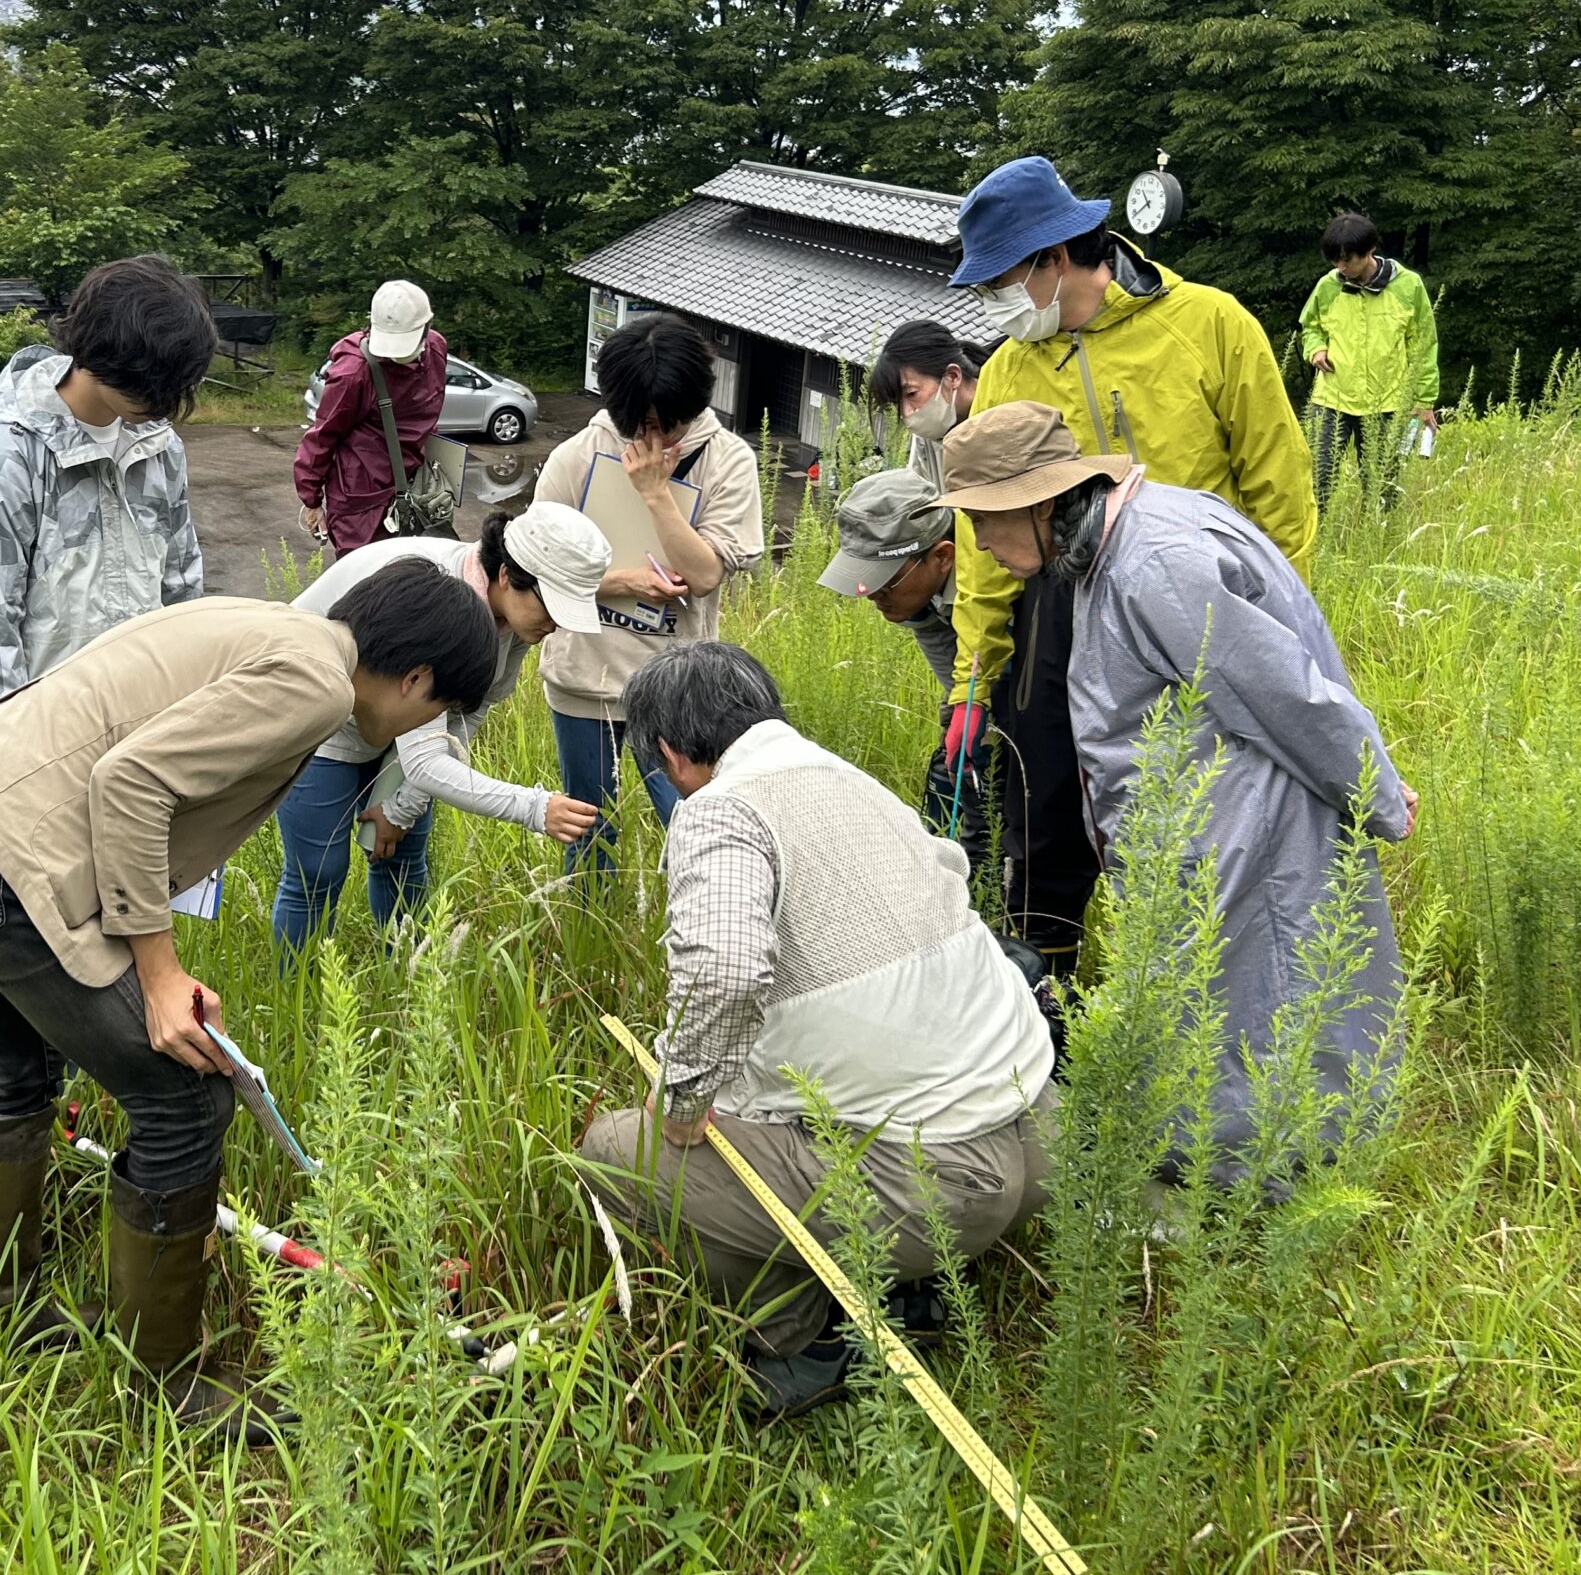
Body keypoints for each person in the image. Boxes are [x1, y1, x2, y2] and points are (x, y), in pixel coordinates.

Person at [0, 567, 500, 1440]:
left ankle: (7, 1317)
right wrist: (160, 977)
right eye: (436, 712)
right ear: (418, 680)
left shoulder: (269, 624)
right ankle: (162, 1388)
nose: (421, 729)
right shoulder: (315, 684)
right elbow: (132, 782)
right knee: (184, 1097)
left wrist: (150, 960)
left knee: (22, 1062)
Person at [577, 644, 1056, 1422]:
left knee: (619, 1151)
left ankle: (803, 1340)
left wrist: (686, 1096)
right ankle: (917, 1286)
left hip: (937, 1187)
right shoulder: (849, 780)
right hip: (1036, 1135)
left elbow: (726, 971)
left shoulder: (722, 810)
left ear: (669, 754)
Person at [934, 402, 1414, 1166]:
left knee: (1266, 1005)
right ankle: (1222, 1166)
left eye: (986, 521)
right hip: (1203, 824)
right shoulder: (1109, 547)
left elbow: (1281, 691)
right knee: (1218, 1010)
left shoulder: (1155, 562)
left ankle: (1261, 1188)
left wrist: (1375, 792)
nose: (982, 544)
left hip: (1248, 821)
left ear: (1038, 501)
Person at [0, 256, 220, 1232]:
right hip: (35, 754)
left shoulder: (157, 446)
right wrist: (9, 793)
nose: (169, 412)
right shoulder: (9, 455)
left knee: (95, 965)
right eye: (164, 390)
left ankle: (29, 1137)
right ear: (114, 365)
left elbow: (182, 594)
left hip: (140, 748)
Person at [941, 155, 1316, 979]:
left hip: (1191, 609)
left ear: (1056, 256)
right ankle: (1047, 996)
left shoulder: (1211, 324)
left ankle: (1197, 994)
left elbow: (1277, 488)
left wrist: (1271, 629)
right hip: (1054, 614)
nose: (992, 305)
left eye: (999, 281)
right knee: (1042, 822)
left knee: (1190, 814)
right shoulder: (1009, 366)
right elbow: (985, 543)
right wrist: (974, 679)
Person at [270, 505, 614, 949]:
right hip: (324, 719)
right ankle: (296, 1000)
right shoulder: (443, 601)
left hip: (400, 717)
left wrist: (400, 809)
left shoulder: (515, 617)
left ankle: (409, 981)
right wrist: (535, 807)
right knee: (317, 872)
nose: (556, 624)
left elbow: (467, 712)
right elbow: (424, 760)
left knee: (404, 853)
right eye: (552, 607)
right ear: (508, 574)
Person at [534, 312, 765, 868]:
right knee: (589, 835)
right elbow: (536, 569)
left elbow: (707, 574)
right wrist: (620, 582)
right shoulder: (576, 458)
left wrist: (657, 494)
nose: (657, 439)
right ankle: (590, 935)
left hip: (678, 688)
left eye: (673, 424)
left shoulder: (727, 461)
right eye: (642, 424)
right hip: (584, 680)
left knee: (696, 827)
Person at [816, 470, 993, 880]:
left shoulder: (991, 579)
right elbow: (956, 679)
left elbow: (1001, 686)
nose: (872, 594)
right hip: (974, 681)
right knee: (951, 777)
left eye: (885, 580)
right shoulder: (914, 595)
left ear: (942, 556)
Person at [294, 279, 449, 555]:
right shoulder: (354, 371)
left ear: (427, 327)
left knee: (412, 579)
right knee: (363, 584)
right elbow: (322, 436)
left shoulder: (437, 349)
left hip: (415, 488)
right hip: (360, 502)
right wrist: (312, 499)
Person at [1299, 212, 1440, 507]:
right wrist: (1316, 349)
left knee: (1381, 488)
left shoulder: (1408, 286)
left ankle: (1381, 542)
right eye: (1335, 260)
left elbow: (1424, 346)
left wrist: (1424, 401)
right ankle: (1314, 543)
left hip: (1387, 402)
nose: (1341, 267)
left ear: (1369, 251)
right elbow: (1310, 327)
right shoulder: (1328, 285)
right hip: (1332, 399)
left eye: (1347, 259)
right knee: (1317, 481)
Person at [867, 318, 988, 494]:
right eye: (897, 403)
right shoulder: (930, 435)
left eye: (911, 394)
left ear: (953, 377)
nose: (906, 413)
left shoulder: (1006, 415)